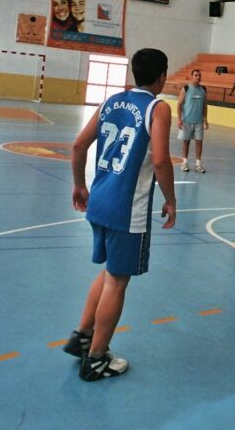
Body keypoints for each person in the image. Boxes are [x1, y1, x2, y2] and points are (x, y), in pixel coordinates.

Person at [63, 48, 176, 381]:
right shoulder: (159, 107)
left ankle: (82, 336)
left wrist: (79, 186)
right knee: (117, 281)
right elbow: (160, 160)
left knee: (110, 272)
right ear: (162, 76)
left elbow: (78, 146)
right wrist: (171, 200)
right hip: (128, 209)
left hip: (98, 201)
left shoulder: (111, 101)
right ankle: (96, 359)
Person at [177, 69, 208, 173]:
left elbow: (204, 106)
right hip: (186, 121)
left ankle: (198, 164)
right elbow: (179, 104)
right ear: (191, 76)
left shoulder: (203, 89)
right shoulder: (185, 88)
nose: (198, 77)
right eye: (196, 75)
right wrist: (179, 119)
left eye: (199, 75)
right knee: (186, 142)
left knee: (199, 142)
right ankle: (184, 163)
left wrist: (205, 119)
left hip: (198, 122)